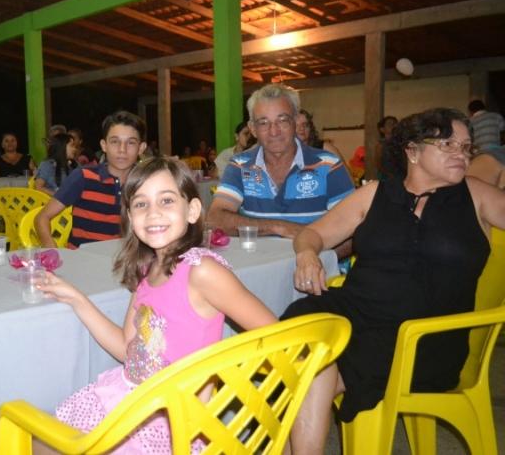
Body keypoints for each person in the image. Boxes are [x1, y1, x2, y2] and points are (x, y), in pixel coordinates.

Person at [283, 108, 505, 454]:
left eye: (465, 147)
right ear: (412, 150)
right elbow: (312, 234)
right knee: (305, 337)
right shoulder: (375, 194)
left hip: (423, 338)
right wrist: (307, 255)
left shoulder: (476, 195)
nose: (461, 154)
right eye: (448, 144)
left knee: (313, 365)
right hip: (354, 313)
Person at [38, 157, 277, 453]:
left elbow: (279, 337)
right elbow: (128, 349)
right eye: (141, 204)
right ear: (129, 216)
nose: (153, 213)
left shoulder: (201, 271)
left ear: (192, 210)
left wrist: (213, 380)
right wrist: (77, 298)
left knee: (40, 439)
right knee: (42, 439)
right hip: (133, 399)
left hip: (169, 421)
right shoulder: (147, 271)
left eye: (166, 200)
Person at [207, 84, 354, 257]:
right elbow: (215, 219)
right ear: (253, 129)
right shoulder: (240, 165)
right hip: (258, 265)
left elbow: (353, 230)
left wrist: (312, 258)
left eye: (282, 120)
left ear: (295, 122)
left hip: (317, 265)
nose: (274, 131)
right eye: (263, 123)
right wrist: (279, 227)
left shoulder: (328, 165)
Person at [36, 111, 147, 248]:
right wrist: (55, 254)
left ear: (141, 148)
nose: (122, 149)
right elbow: (42, 218)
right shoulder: (83, 177)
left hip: (124, 258)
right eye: (114, 142)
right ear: (104, 145)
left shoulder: (146, 184)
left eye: (131, 143)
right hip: (83, 258)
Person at [374, 115, 398, 181]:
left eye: (395, 123)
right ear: (382, 129)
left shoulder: (400, 143)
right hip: (387, 177)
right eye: (389, 124)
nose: (393, 126)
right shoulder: (381, 145)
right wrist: (389, 175)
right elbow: (378, 164)